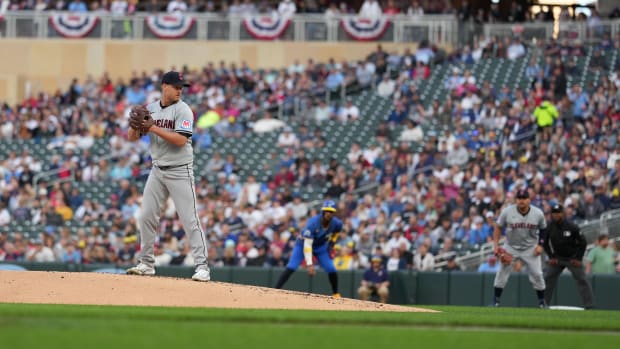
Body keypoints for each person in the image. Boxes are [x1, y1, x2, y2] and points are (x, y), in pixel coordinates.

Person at [126, 71, 211, 282]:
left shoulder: (184, 110)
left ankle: (202, 267)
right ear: (165, 86)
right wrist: (136, 126)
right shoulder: (151, 109)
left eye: (182, 87)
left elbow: (181, 140)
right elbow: (131, 138)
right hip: (157, 170)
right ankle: (146, 263)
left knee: (190, 219)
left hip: (180, 170)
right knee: (145, 216)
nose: (180, 90)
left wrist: (152, 126)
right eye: (177, 86)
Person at [492, 189, 548, 308]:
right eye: (519, 198)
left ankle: (542, 302)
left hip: (530, 248)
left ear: (529, 200)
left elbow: (544, 229)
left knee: (537, 274)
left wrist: (541, 245)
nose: (521, 201)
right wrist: (496, 245)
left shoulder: (538, 213)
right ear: (516, 200)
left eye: (524, 198)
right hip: (511, 247)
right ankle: (495, 301)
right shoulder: (507, 211)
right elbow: (497, 227)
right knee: (501, 273)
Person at [274, 200, 343, 297]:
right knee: (292, 266)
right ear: (322, 211)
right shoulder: (313, 223)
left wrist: (331, 245)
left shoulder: (337, 223)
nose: (329, 213)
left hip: (320, 246)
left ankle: (336, 293)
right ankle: (275, 289)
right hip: (303, 244)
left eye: (331, 212)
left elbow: (336, 233)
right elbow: (307, 245)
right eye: (327, 211)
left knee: (331, 269)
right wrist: (310, 264)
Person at [542, 204, 594, 309]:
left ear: (563, 213)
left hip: (572, 258)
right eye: (554, 213)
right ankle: (543, 304)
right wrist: (551, 257)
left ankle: (589, 306)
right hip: (558, 258)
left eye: (558, 213)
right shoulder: (549, 226)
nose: (556, 215)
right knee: (548, 278)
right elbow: (545, 243)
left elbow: (582, 242)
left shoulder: (572, 226)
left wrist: (578, 258)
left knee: (582, 279)